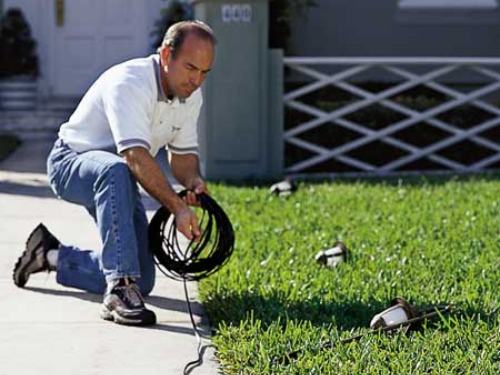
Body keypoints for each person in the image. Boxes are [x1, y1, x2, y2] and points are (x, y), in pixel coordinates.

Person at [12, 21, 216, 326]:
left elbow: (183, 156)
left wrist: (192, 181)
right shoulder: (130, 83)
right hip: (71, 163)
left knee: (143, 279)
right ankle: (119, 291)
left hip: (117, 179)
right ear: (165, 55)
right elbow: (134, 157)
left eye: (204, 72)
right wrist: (177, 206)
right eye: (190, 68)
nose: (196, 80)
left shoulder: (189, 95)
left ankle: (49, 255)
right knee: (117, 170)